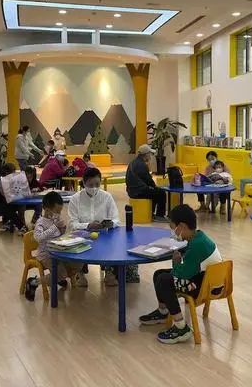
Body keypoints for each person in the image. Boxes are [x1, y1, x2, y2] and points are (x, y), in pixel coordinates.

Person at [139, 204, 222, 344]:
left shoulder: (196, 246)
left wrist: (176, 262)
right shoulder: (199, 237)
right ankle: (163, 312)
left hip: (204, 288)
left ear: (182, 226)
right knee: (158, 274)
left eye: (173, 228)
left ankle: (181, 327)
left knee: (164, 280)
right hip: (210, 282)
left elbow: (181, 275)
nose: (173, 232)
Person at [68, 167, 134, 286]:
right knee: (78, 241)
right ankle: (80, 273)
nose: (94, 188)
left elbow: (116, 220)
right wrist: (88, 225)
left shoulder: (107, 197)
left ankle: (110, 272)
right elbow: (73, 223)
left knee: (115, 241)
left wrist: (109, 223)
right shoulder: (75, 199)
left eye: (97, 184)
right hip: (83, 234)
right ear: (84, 183)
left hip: (104, 234)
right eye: (90, 185)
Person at [34, 191, 87, 288]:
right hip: (45, 254)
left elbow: (58, 237)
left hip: (57, 251)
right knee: (61, 274)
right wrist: (54, 227)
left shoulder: (54, 220)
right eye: (57, 211)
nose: (58, 214)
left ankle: (58, 278)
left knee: (78, 263)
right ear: (47, 209)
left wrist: (62, 230)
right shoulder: (40, 222)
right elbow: (38, 238)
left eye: (60, 211)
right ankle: (35, 282)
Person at [126, 144, 168, 222]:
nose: (150, 156)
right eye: (150, 154)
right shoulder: (142, 165)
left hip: (131, 190)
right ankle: (159, 215)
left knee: (153, 192)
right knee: (161, 193)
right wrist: (155, 187)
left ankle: (151, 213)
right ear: (146, 154)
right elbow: (148, 181)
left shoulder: (133, 162)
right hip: (138, 192)